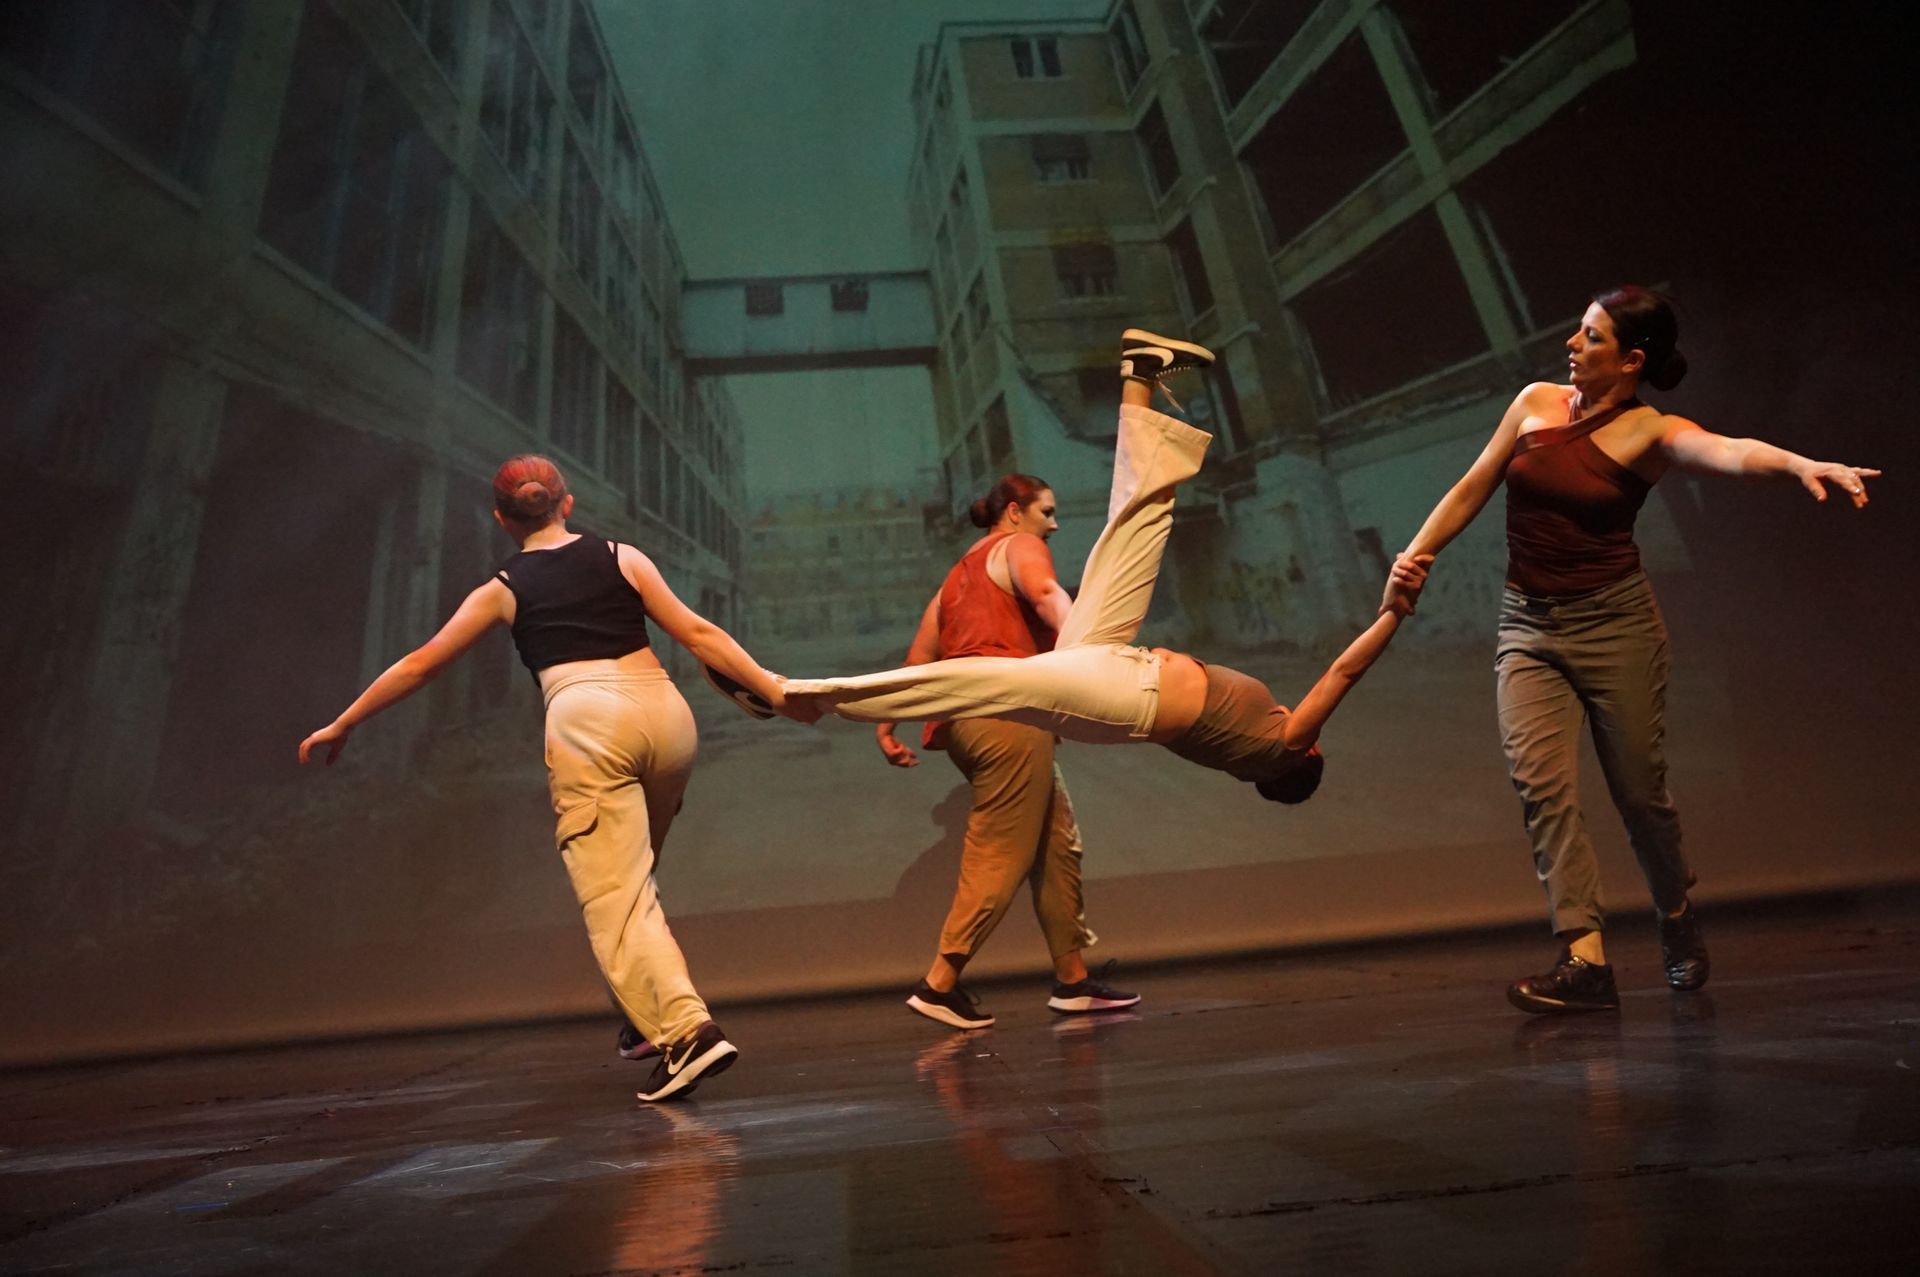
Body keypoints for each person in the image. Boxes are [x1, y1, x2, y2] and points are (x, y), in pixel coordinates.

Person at [1383, 286, 1879, 1014]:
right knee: (1541, 786)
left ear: (1630, 359)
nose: (1571, 346)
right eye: (1577, 332)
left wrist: (1799, 463)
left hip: (1616, 627)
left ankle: (1676, 915)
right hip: (1528, 624)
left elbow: (1728, 450)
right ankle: (1584, 957)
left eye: (1590, 337)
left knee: (1641, 797)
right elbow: (1472, 485)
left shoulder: (1651, 431)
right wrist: (1415, 552)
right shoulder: (1533, 403)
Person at [299, 455, 815, 1100]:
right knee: (636, 884)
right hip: (666, 716)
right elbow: (697, 631)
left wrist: (345, 721)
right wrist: (777, 689)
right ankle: (641, 1023)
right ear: (567, 503)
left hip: (588, 719)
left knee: (619, 900)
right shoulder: (625, 556)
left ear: (500, 519)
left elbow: (420, 665)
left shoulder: (501, 588)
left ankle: (688, 1034)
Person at [780, 330, 1430, 811]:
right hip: (1117, 666)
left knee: (981, 683)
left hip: (1118, 693)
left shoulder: (1284, 741)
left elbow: (1345, 669)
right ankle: (1139, 373)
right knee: (1137, 523)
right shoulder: (1249, 753)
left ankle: (803, 695)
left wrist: (1393, 613)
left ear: (1304, 757)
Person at [876, 471, 1135, 1031]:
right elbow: (1046, 594)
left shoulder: (955, 578)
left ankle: (1073, 982)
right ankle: (940, 984)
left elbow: (920, 657)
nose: (1055, 524)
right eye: (1046, 513)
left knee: (1055, 846)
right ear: (1014, 513)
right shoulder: (1019, 546)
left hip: (973, 723)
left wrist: (888, 721)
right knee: (999, 855)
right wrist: (1091, 658)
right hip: (1006, 718)